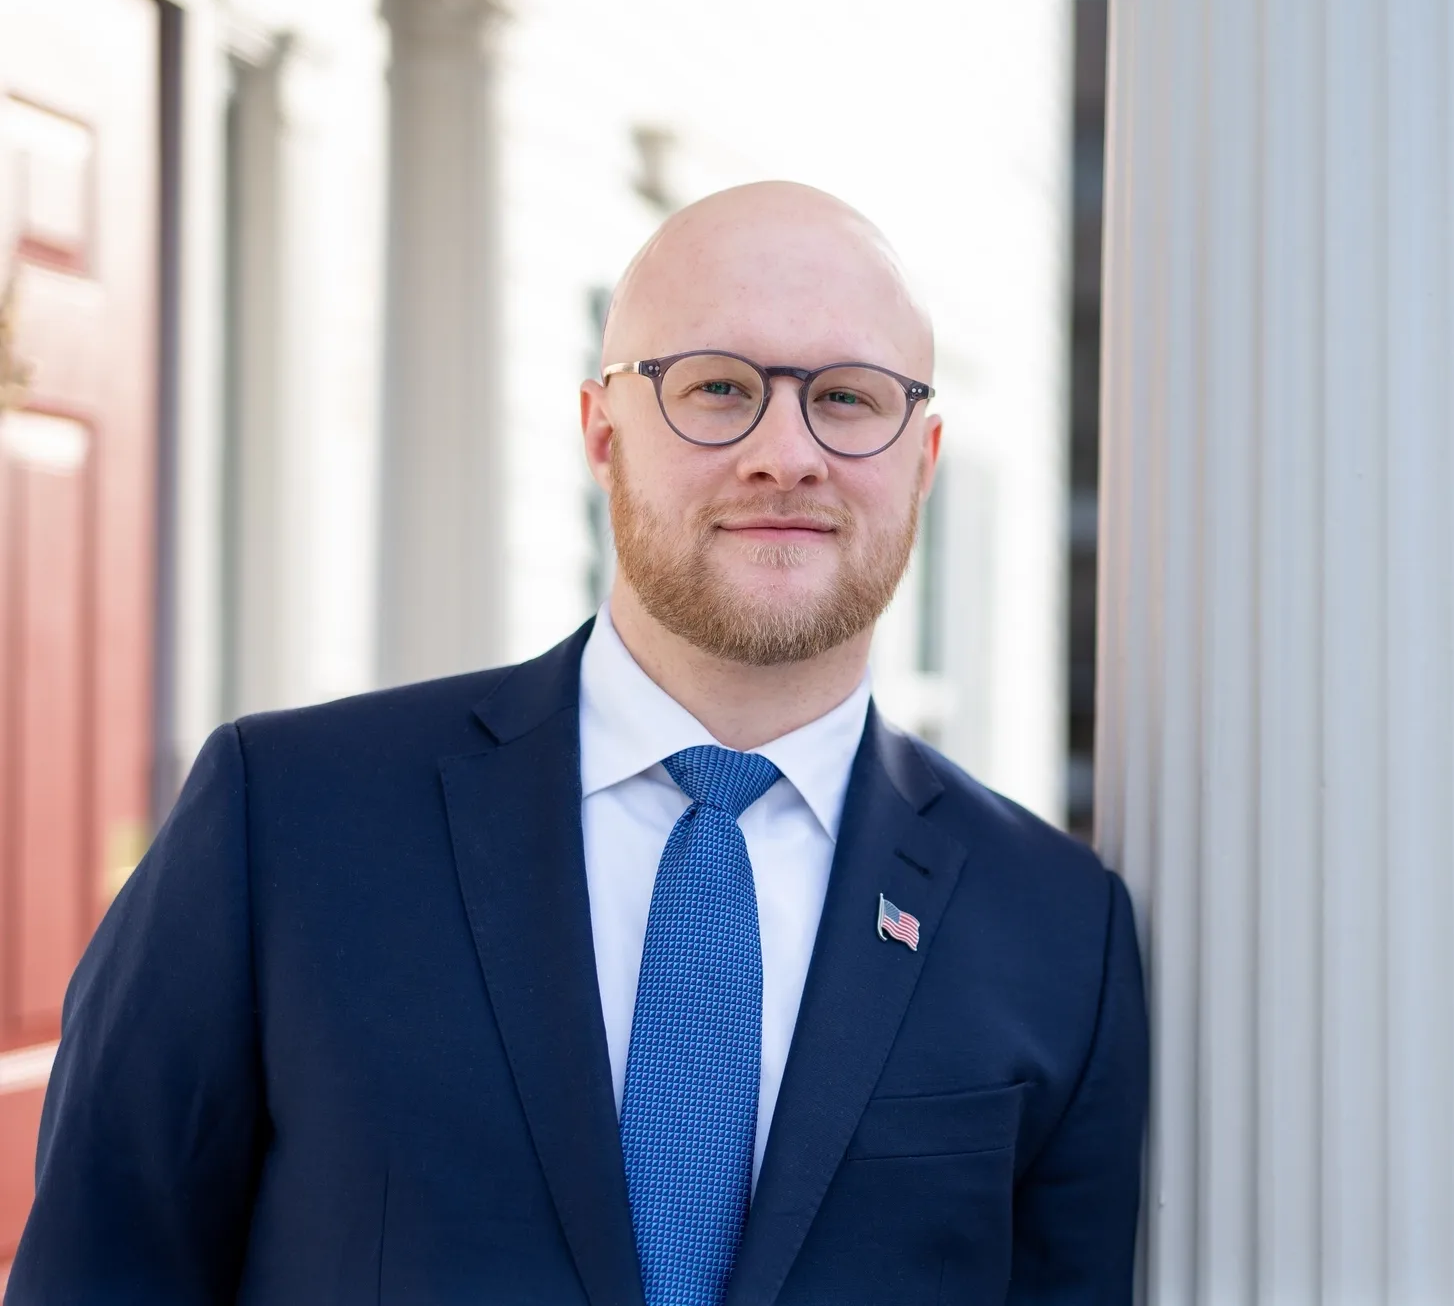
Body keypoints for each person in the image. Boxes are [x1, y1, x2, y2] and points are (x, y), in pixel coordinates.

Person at [7, 183, 1148, 1304]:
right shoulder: (289, 823)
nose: (786, 453)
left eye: (849, 398)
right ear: (602, 430)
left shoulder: (1057, 933)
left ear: (924, 456)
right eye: (717, 387)